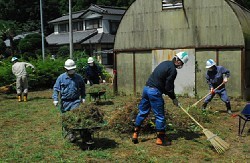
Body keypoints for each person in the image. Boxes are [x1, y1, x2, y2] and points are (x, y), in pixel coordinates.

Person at [132, 51, 189, 146]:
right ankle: (160, 139)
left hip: (146, 89)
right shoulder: (173, 70)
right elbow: (169, 87)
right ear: (178, 61)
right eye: (182, 63)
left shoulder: (165, 63)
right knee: (160, 116)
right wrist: (174, 98)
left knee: (142, 112)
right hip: (154, 92)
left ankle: (135, 134)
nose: (181, 65)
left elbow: (161, 81)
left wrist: (168, 93)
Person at [52, 59, 86, 142]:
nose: (71, 71)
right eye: (70, 70)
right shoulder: (61, 78)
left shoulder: (78, 78)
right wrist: (55, 99)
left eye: (73, 69)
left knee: (75, 117)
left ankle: (78, 133)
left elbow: (83, 88)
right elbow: (56, 89)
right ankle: (70, 132)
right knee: (66, 119)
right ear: (66, 69)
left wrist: (83, 97)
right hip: (64, 102)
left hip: (75, 101)